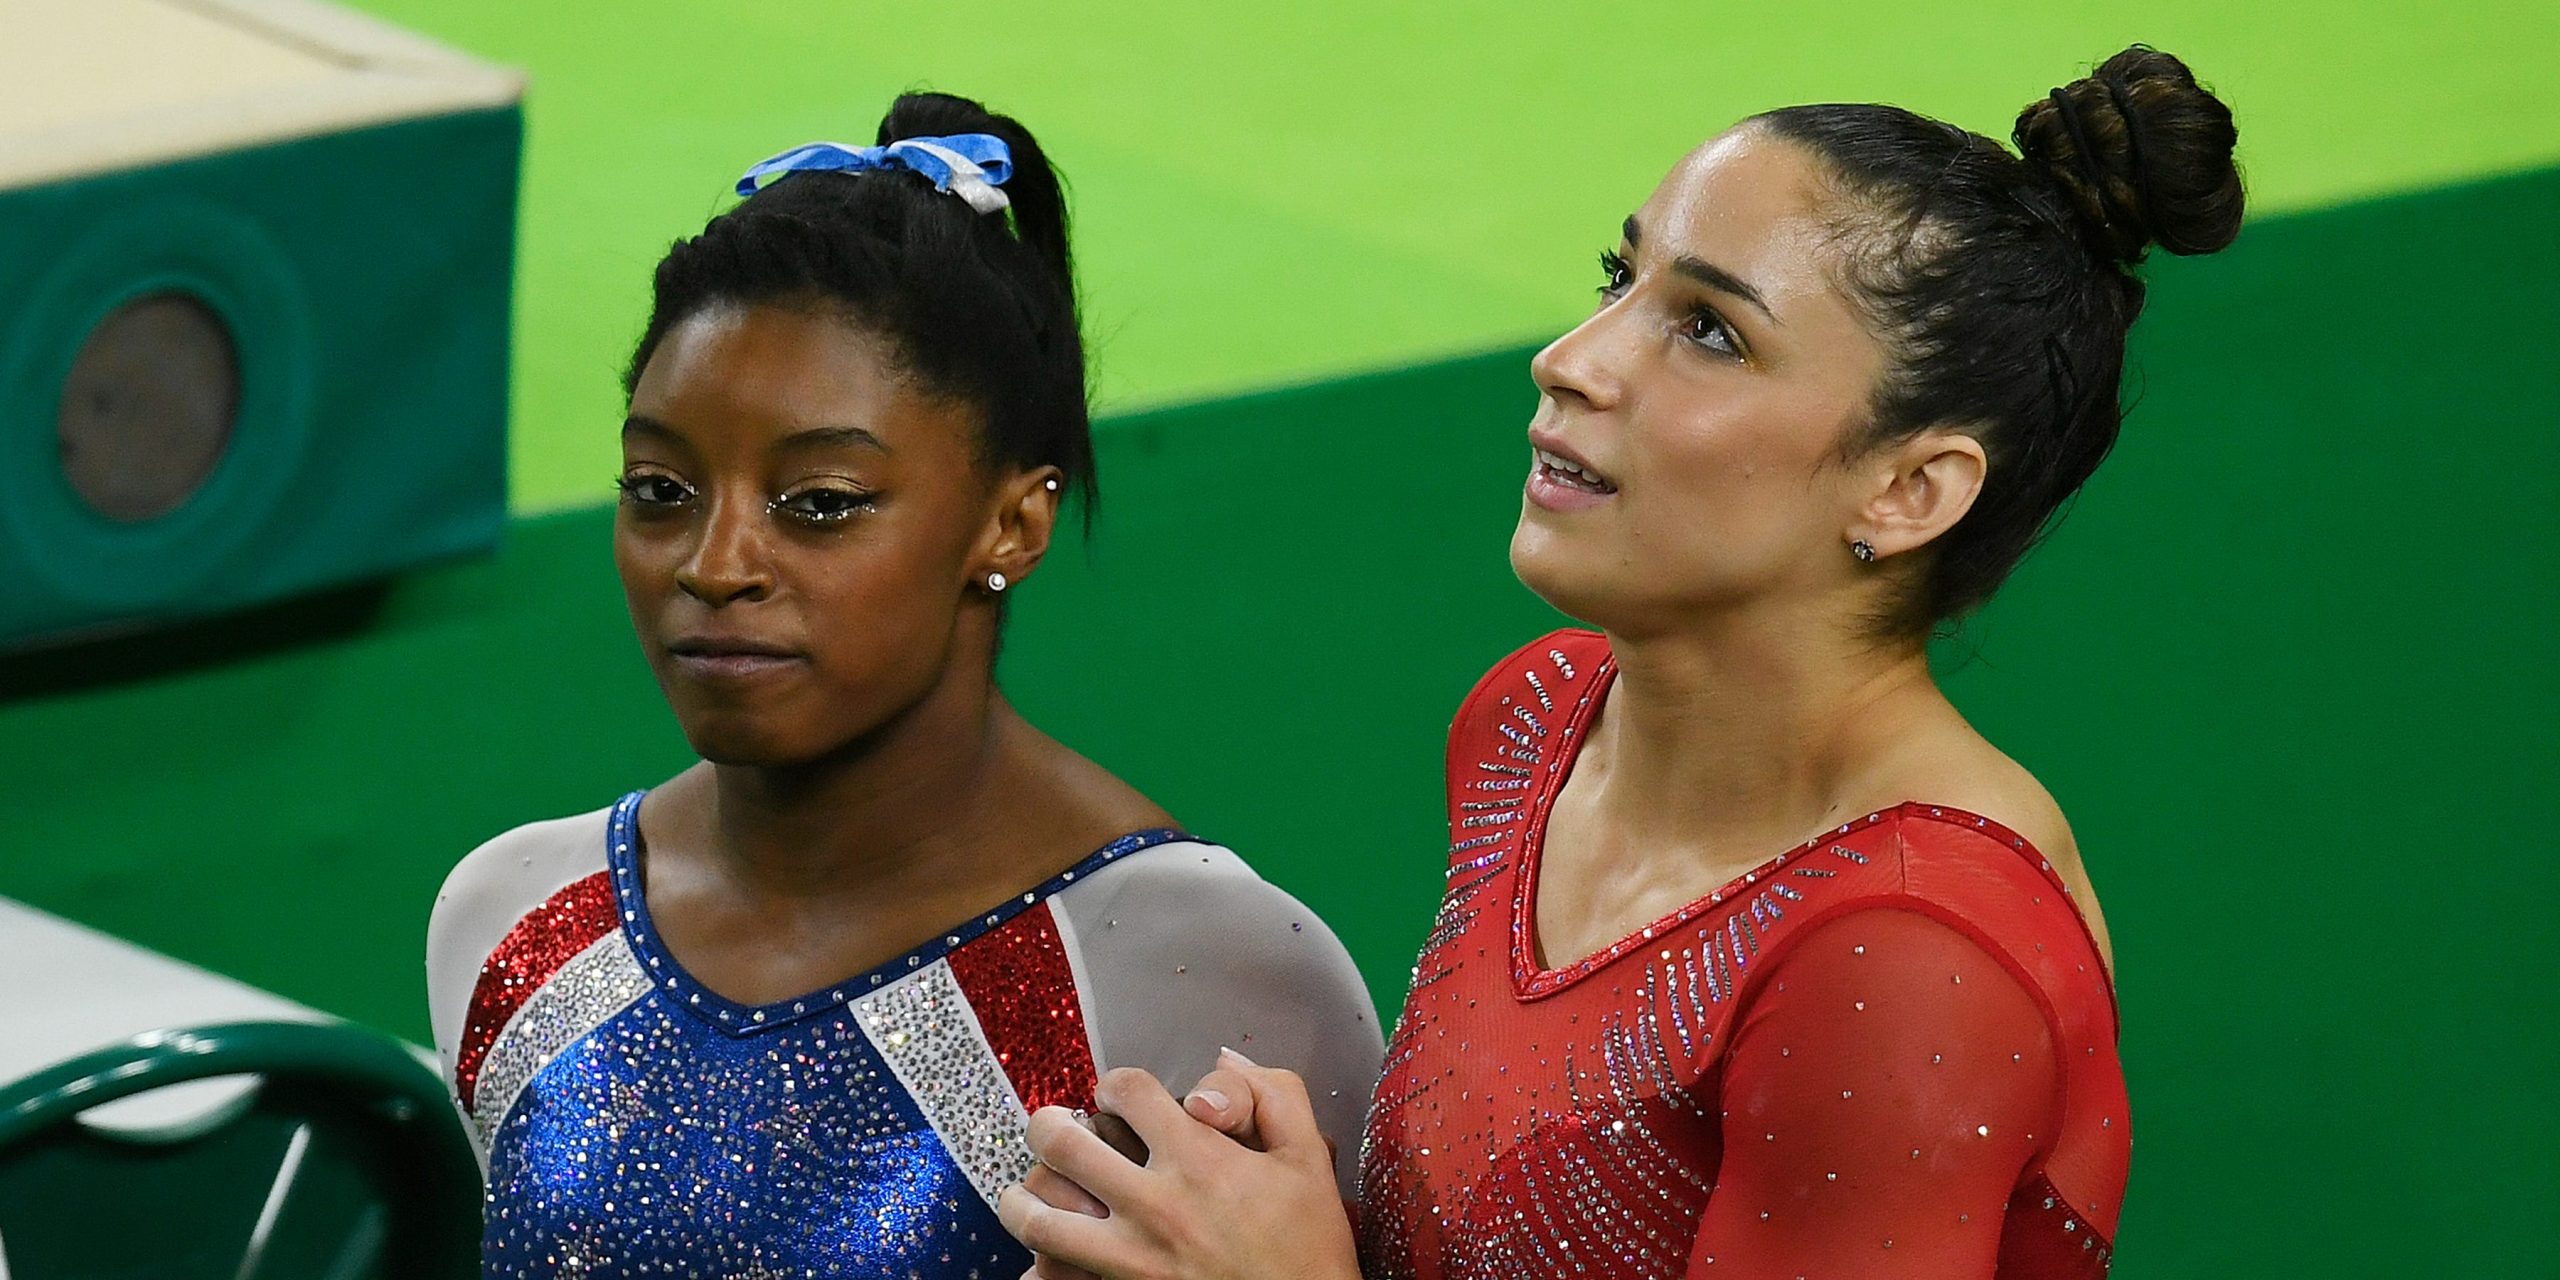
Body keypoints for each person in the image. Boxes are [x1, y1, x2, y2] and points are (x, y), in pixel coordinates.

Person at [1000, 46, 2242, 1279]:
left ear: (1910, 487)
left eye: (1708, 330)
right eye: (1618, 277)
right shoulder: (1534, 719)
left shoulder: (1909, 953)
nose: (1572, 358)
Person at [424, 91, 1381, 1279]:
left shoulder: (1204, 970)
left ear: (1010, 522)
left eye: (819, 503)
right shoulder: (514, 922)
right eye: (660, 490)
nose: (715, 565)